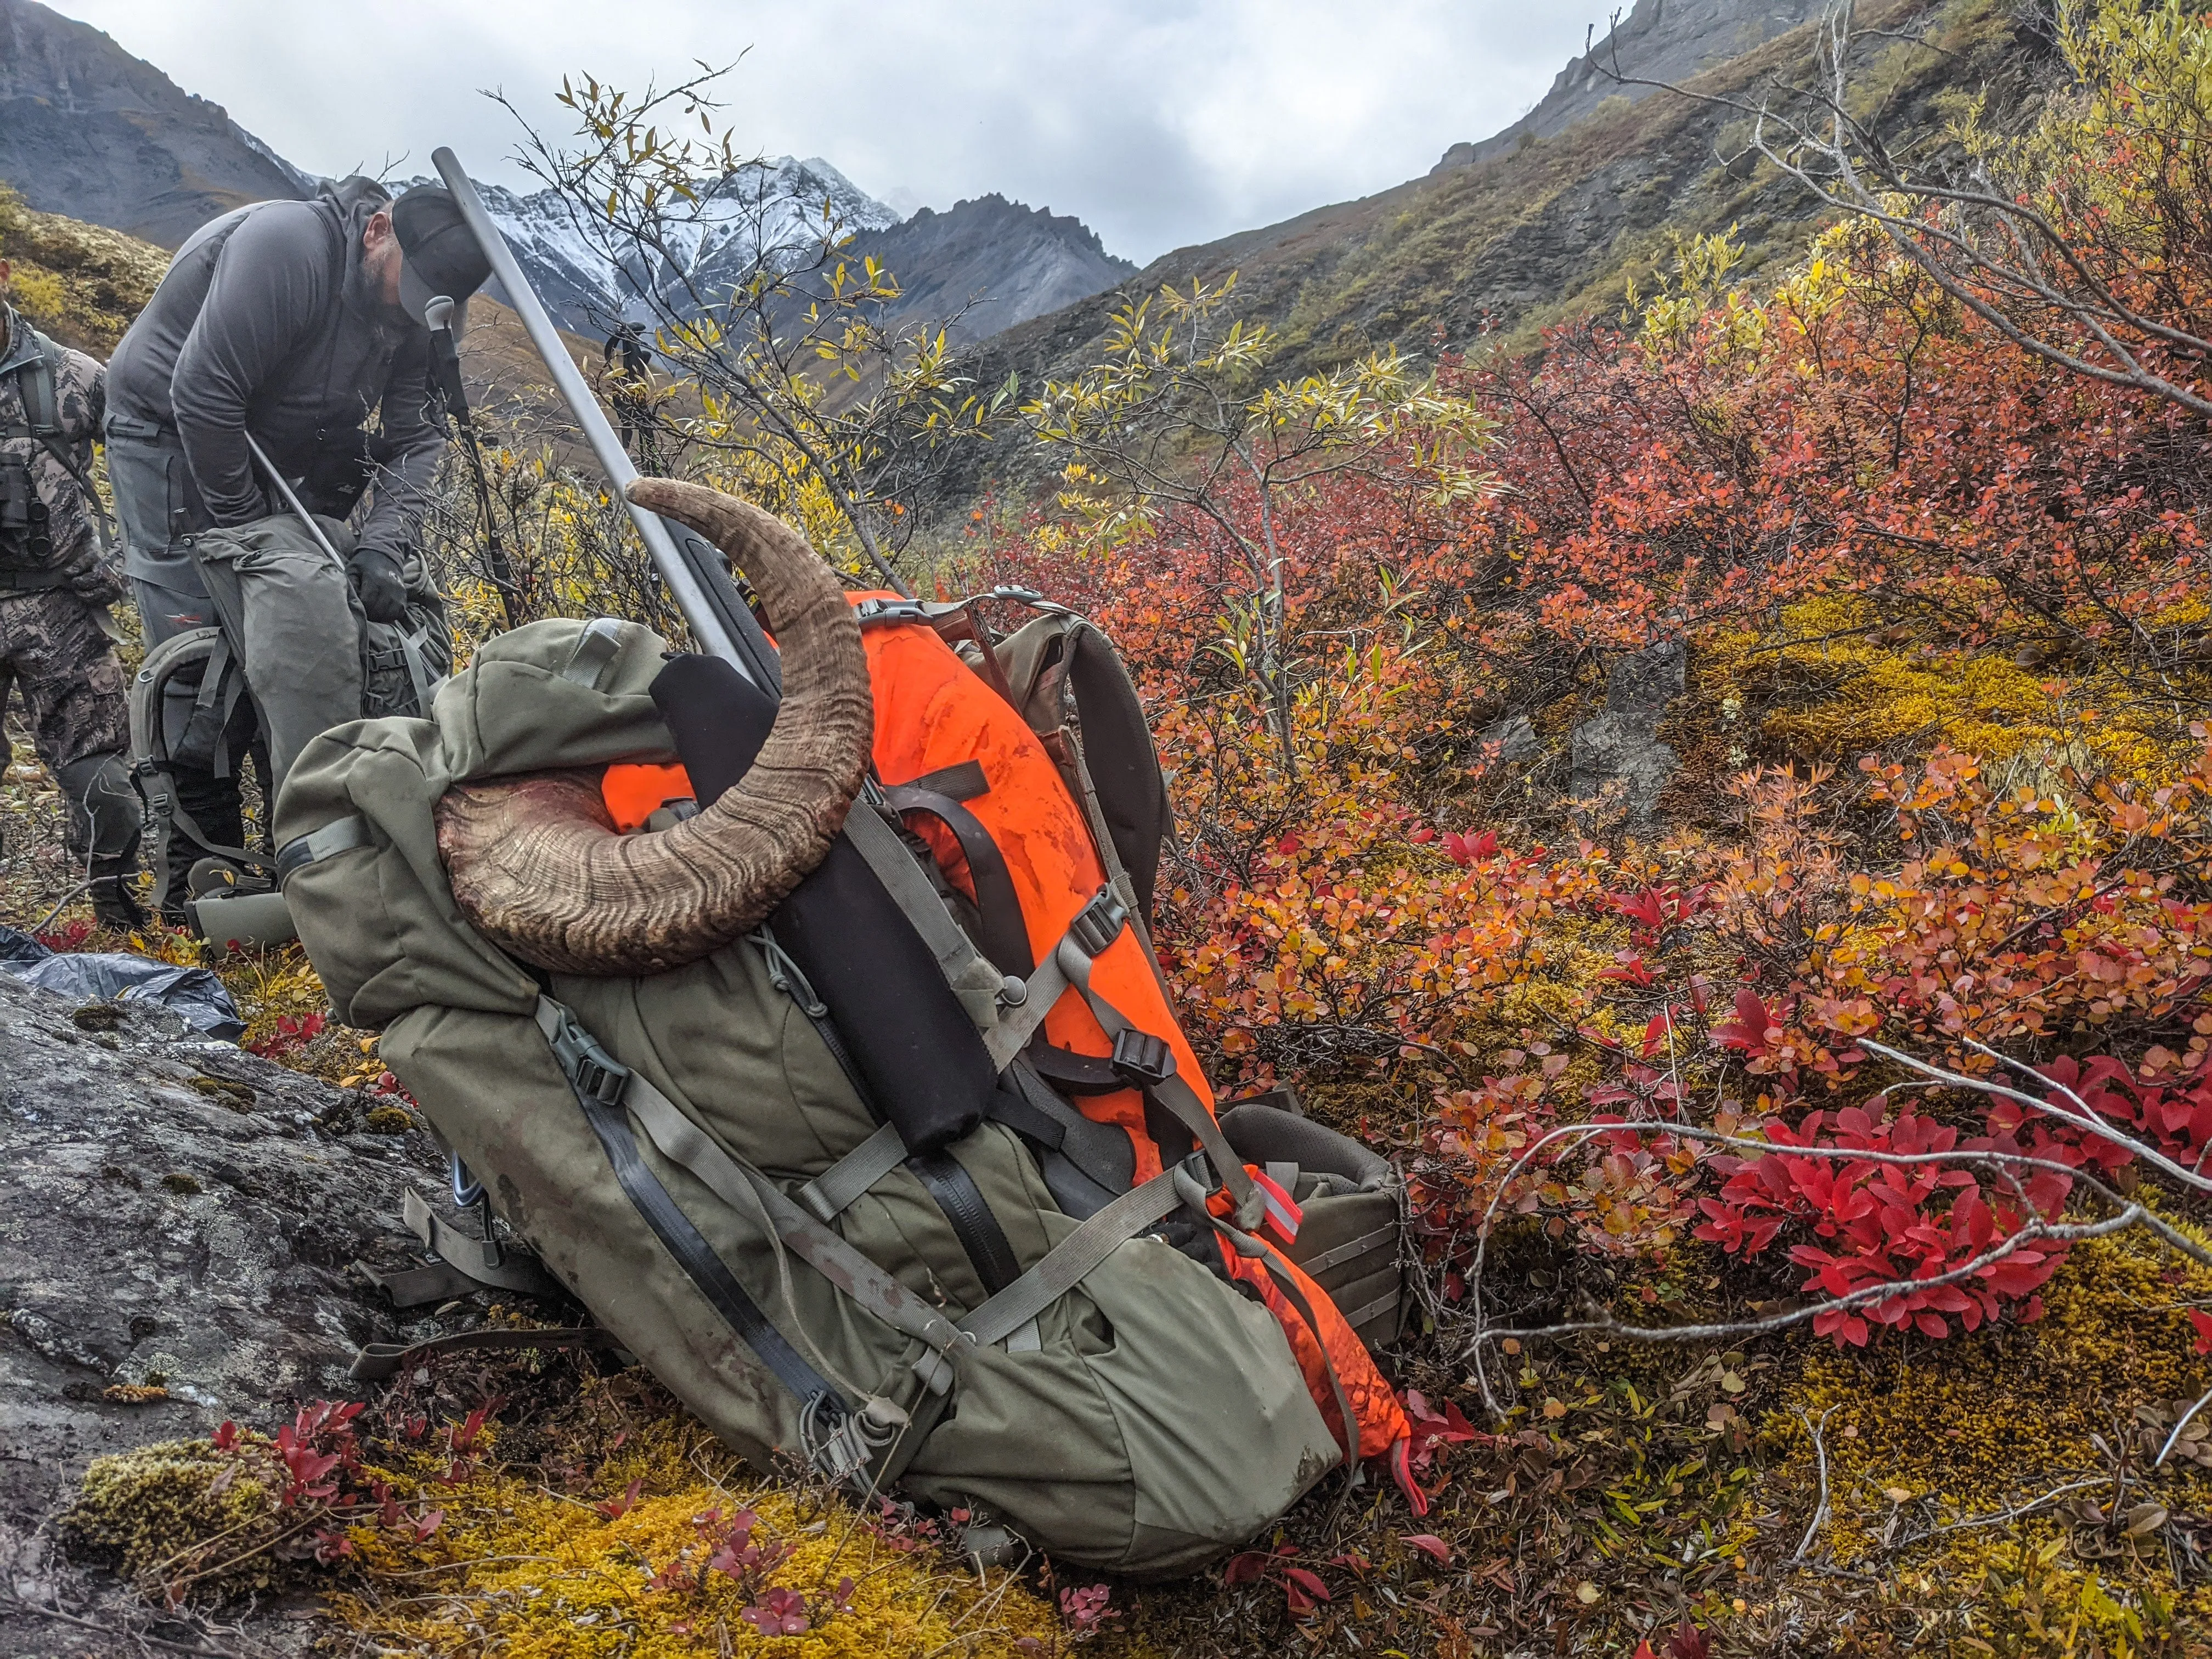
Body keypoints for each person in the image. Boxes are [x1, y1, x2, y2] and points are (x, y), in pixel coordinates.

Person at [105, 176, 489, 914]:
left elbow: (419, 438)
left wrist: (381, 543)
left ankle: (298, 849)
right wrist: (255, 537)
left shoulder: (426, 308)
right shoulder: (286, 248)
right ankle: (200, 869)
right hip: (169, 431)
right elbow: (204, 395)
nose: (404, 313)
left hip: (283, 442)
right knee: (200, 646)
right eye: (401, 290)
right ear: (378, 230)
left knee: (296, 632)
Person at [0, 262, 144, 928]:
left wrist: (124, 560)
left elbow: (151, 461)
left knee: (107, 788)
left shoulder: (76, 377)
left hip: (62, 611)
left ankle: (114, 911)